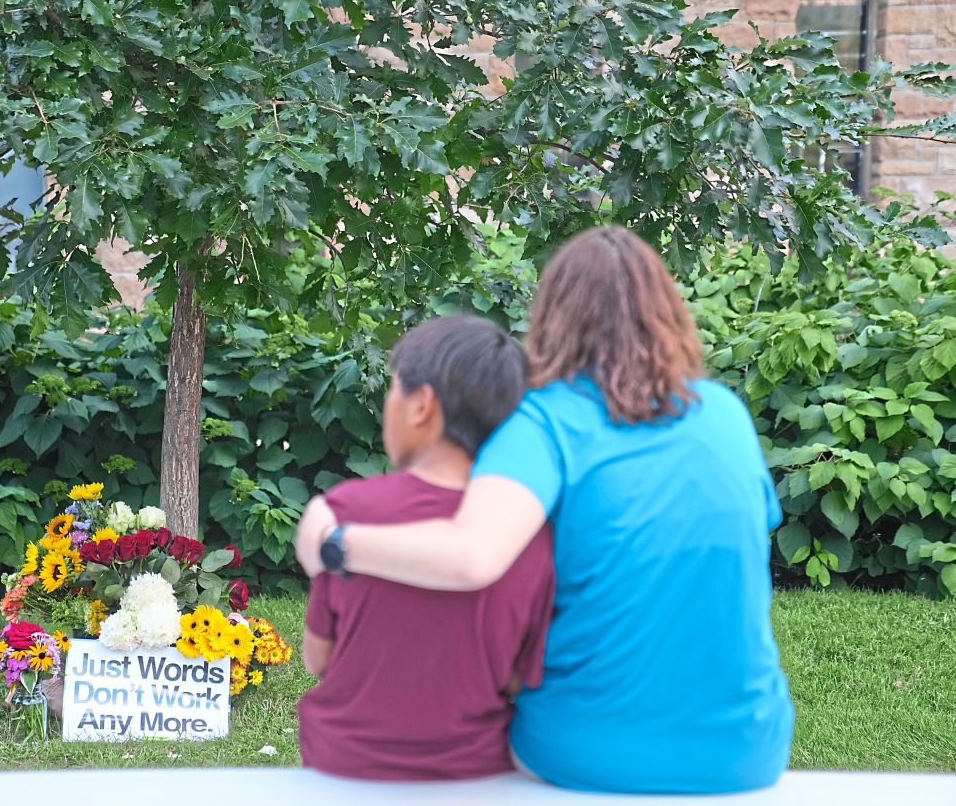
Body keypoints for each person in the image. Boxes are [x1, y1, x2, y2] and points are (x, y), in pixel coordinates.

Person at [295, 226, 794, 794]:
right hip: (746, 752)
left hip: (584, 750)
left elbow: (471, 556)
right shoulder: (724, 414)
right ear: (667, 311)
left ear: (554, 316)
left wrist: (338, 543)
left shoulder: (544, 421)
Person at [298, 315, 555, 781]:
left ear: (421, 405)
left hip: (344, 767)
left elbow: (317, 657)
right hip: (475, 772)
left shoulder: (346, 511)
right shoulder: (530, 535)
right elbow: (520, 676)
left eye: (393, 390)